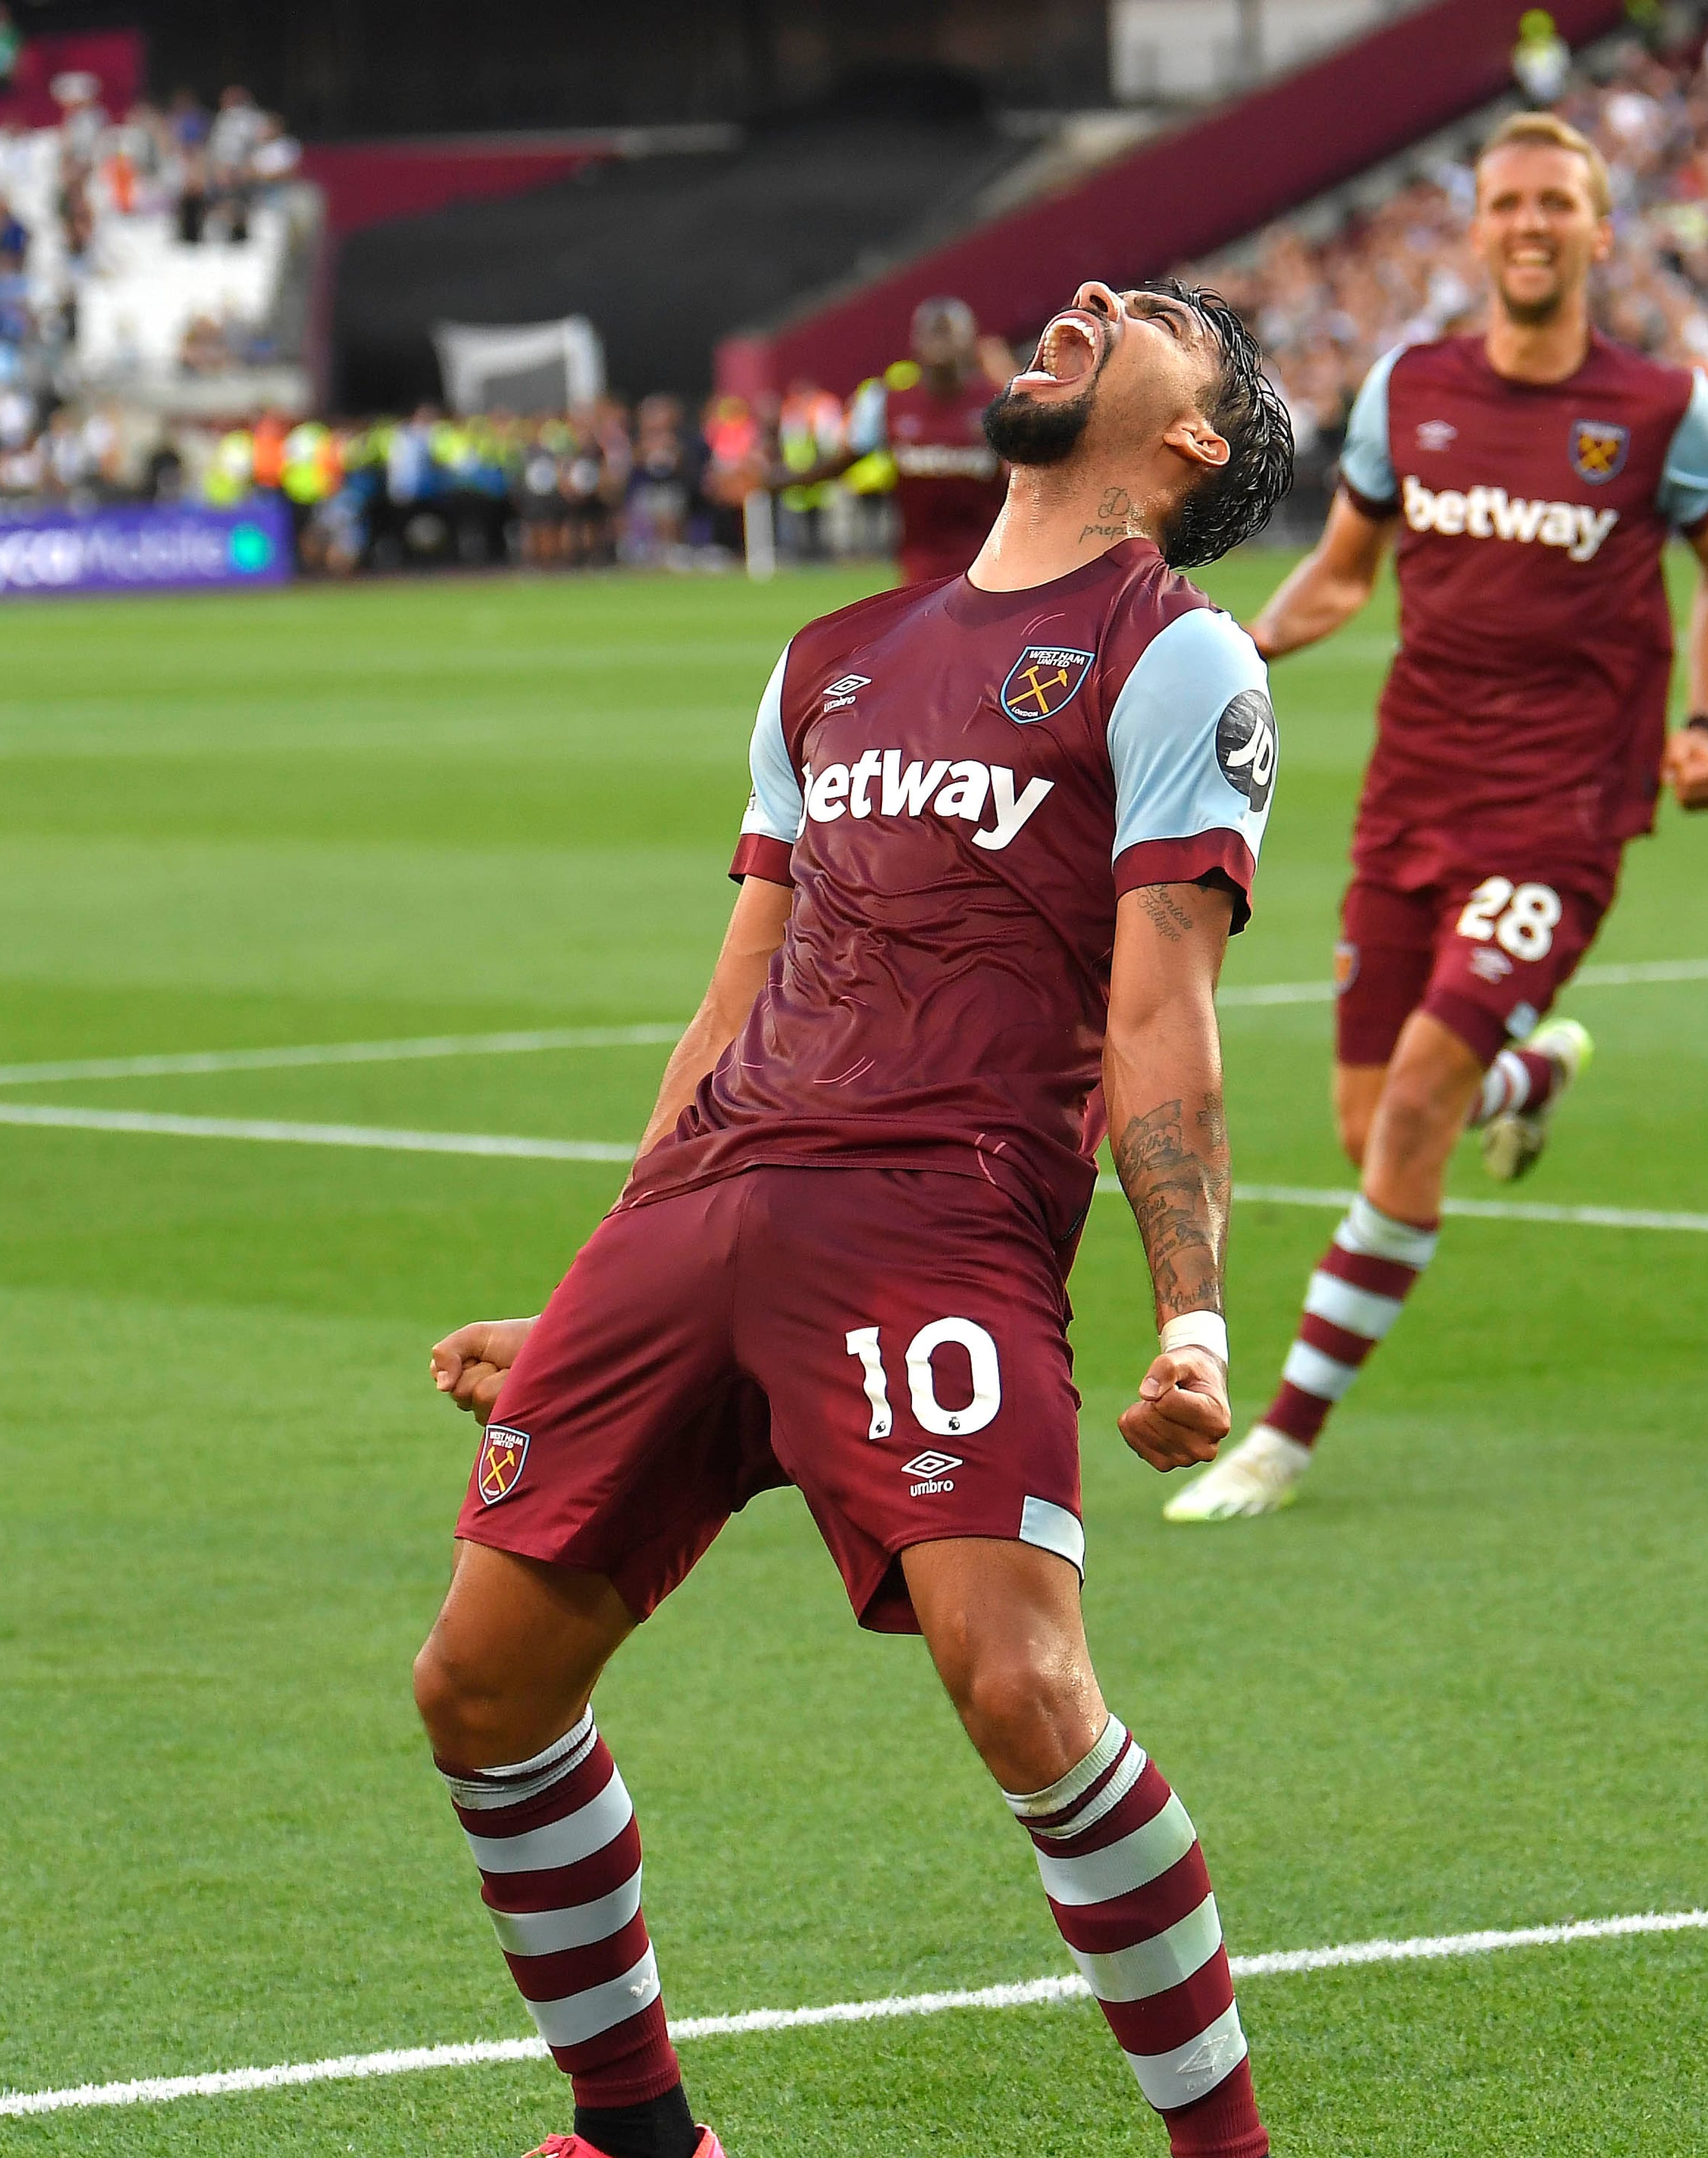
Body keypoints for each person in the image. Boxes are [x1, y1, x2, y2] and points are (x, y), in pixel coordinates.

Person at [414, 277, 1294, 2158]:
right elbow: (730, 1003)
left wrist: (1194, 1311)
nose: (1082, 303)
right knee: (480, 1684)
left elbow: (1162, 1012)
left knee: (1022, 1682)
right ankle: (637, 2134)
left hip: (933, 1216)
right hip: (715, 1198)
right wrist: (587, 1303)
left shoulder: (1178, 654)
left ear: (1192, 441)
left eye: (1142, 317)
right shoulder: (827, 654)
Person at [1167, 110, 1708, 1524]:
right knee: (1376, 1122)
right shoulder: (1410, 389)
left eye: (1559, 201)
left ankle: (1284, 1433)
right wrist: (1233, 645)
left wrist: (1705, 723)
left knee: (1417, 1100)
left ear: (1601, 231)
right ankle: (1524, 1079)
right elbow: (1346, 573)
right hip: (1413, 793)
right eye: (1508, 202)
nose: (1532, 223)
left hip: (1565, 807)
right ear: (1478, 228)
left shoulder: (1666, 409)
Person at [847, 295, 1012, 585]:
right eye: (931, 331)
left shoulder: (1001, 402)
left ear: (972, 341)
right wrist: (768, 479)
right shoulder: (887, 403)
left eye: (949, 331)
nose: (940, 340)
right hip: (919, 572)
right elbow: (844, 459)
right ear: (914, 341)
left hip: (990, 570)